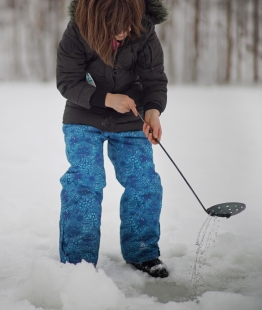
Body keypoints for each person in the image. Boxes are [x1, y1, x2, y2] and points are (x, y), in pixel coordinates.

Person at [56, 0, 169, 278]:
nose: (123, 32)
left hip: (131, 117)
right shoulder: (77, 32)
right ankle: (78, 262)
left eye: (128, 24)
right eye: (116, 27)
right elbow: (67, 81)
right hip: (84, 116)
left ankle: (143, 252)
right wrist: (106, 99)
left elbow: (154, 79)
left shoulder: (143, 30)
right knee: (85, 181)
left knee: (144, 181)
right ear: (98, 19)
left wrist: (153, 112)